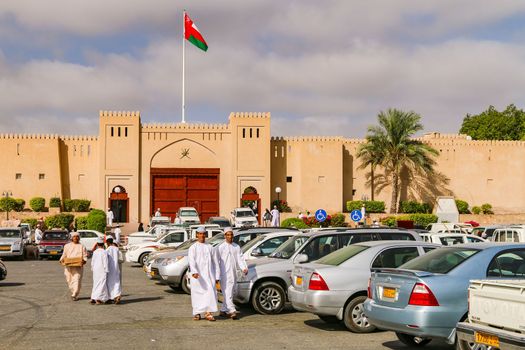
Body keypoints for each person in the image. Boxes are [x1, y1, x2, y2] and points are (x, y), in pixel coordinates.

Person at [188, 226, 219, 321]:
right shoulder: (193, 247)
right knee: (197, 294)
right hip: (197, 276)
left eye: (203, 234)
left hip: (209, 276)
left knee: (209, 293)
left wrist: (217, 276)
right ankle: (197, 313)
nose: (202, 236)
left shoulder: (210, 247)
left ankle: (208, 313)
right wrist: (194, 272)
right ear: (197, 234)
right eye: (200, 234)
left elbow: (215, 262)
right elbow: (191, 261)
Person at [215, 227, 247, 319]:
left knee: (231, 292)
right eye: (228, 235)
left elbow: (240, 258)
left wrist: (243, 268)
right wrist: (217, 276)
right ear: (225, 236)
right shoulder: (220, 247)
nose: (229, 236)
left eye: (231, 234)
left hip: (233, 273)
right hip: (224, 274)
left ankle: (223, 310)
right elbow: (216, 262)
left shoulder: (236, 246)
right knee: (227, 292)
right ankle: (232, 311)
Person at [59, 232, 87, 301]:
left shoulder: (82, 246)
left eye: (77, 237)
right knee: (69, 280)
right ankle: (73, 292)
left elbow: (85, 256)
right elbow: (64, 255)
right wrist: (61, 260)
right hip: (68, 266)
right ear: (72, 238)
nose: (76, 238)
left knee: (77, 280)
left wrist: (83, 261)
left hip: (78, 267)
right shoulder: (67, 246)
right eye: (74, 237)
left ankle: (74, 294)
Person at [90, 238, 110, 305]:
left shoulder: (95, 252)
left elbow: (92, 261)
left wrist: (92, 268)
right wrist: (106, 270)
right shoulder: (104, 252)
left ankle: (94, 297)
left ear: (97, 244)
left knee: (96, 283)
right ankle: (98, 299)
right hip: (102, 270)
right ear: (103, 244)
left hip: (96, 270)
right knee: (101, 284)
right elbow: (105, 262)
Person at [105, 236, 122, 304]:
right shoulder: (117, 249)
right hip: (116, 268)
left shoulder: (107, 250)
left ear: (107, 242)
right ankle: (117, 296)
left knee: (109, 283)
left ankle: (110, 297)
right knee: (117, 282)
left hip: (109, 269)